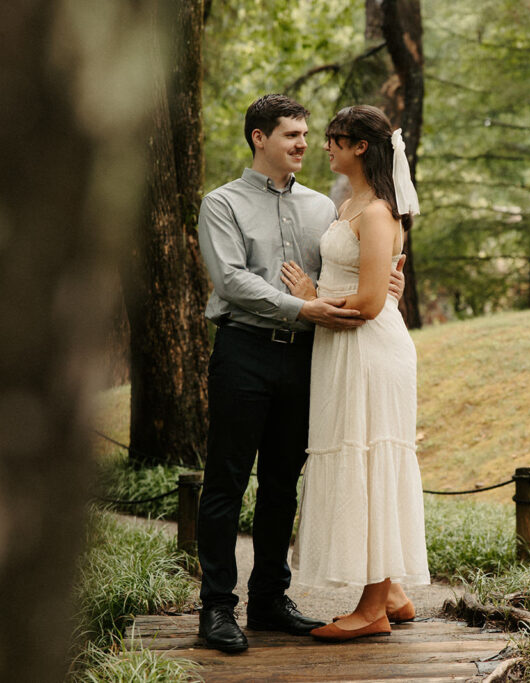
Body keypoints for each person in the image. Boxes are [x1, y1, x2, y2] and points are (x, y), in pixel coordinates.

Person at [195, 94, 404, 654]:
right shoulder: (222, 204)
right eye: (291, 135)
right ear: (259, 138)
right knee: (226, 482)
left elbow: (350, 269)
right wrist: (302, 309)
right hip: (244, 352)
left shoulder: (324, 208)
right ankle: (216, 608)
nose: (304, 145)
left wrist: (385, 286)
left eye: (308, 135)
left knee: (283, 483)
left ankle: (268, 599)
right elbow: (231, 280)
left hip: (308, 358)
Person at [281, 105, 429, 643]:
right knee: (356, 457)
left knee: (369, 460)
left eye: (333, 139)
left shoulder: (377, 213)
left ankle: (372, 610)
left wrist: (309, 296)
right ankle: (392, 592)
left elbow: (369, 303)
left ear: (359, 147)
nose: (325, 147)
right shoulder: (349, 204)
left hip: (368, 349)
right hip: (342, 349)